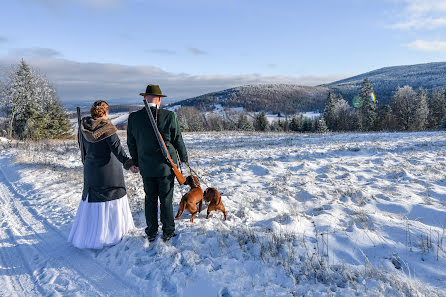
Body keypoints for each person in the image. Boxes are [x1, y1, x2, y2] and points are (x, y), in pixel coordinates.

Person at [68, 100, 137, 249]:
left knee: (94, 202)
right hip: (109, 172)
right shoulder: (107, 128)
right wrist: (130, 165)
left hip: (91, 170)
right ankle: (110, 235)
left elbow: (82, 149)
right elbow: (118, 150)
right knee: (110, 200)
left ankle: (90, 236)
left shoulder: (83, 126)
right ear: (105, 113)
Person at [127, 84, 188, 242]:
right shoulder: (169, 116)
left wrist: (136, 161)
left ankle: (151, 231)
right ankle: (168, 231)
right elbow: (177, 140)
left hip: (146, 167)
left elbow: (131, 143)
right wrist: (184, 158)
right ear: (159, 99)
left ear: (145, 98)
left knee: (150, 199)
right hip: (166, 167)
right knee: (166, 200)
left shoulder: (134, 118)